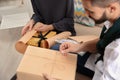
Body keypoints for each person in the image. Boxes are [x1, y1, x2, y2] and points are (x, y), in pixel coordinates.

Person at [60, 0, 120, 80]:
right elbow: (104, 40)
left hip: (104, 70)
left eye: (91, 12)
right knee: (57, 49)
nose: (86, 14)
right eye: (85, 9)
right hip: (101, 57)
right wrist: (78, 47)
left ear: (112, 8)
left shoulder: (117, 47)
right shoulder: (113, 19)